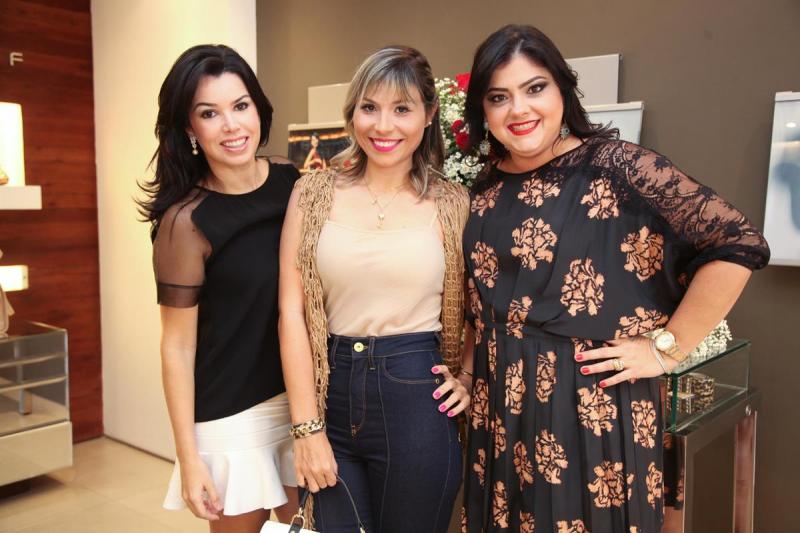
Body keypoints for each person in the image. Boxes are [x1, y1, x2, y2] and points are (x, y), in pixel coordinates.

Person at [459, 25, 770, 532]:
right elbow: (480, 306)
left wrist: (666, 350)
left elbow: (738, 243)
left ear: (563, 89)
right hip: (499, 412)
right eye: (499, 97)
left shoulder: (617, 167)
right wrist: (468, 374)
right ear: (483, 110)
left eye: (535, 88)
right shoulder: (485, 187)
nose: (519, 109)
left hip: (591, 408)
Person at [278, 45, 472, 532]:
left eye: (402, 109)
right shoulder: (311, 193)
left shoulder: (454, 203)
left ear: (429, 114)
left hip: (417, 394)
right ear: (352, 114)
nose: (383, 126)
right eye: (370, 107)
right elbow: (291, 313)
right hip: (331, 390)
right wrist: (306, 429)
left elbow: (483, 309)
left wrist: (468, 376)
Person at [138, 44, 299, 532]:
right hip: (232, 417)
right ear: (190, 128)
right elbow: (177, 345)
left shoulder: (293, 182)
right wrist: (189, 459)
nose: (231, 126)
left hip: (302, 403)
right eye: (209, 113)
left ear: (258, 109)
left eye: (240, 106)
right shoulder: (185, 222)